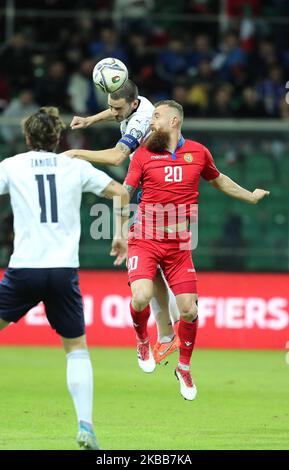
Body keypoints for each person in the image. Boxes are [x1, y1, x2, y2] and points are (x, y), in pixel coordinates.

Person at [0, 107, 129, 449]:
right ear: (58, 139)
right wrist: (120, 235)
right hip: (62, 271)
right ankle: (86, 426)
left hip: (24, 269)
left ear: (28, 138)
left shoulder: (11, 165)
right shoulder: (75, 167)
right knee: (76, 349)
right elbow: (121, 192)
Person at [123, 100, 269, 400]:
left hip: (179, 247)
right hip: (145, 240)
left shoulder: (199, 153)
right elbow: (124, 193)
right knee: (141, 297)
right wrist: (117, 228)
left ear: (174, 121)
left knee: (189, 310)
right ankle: (141, 341)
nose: (152, 122)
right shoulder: (142, 154)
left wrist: (250, 197)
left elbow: (220, 181)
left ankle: (184, 367)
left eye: (157, 117)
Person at [68, 79, 180, 366]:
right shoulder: (136, 104)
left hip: (157, 189)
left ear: (132, 105)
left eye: (117, 108)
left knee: (151, 256)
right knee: (150, 262)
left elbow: (118, 157)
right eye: (110, 106)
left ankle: (168, 327)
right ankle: (164, 330)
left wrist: (76, 154)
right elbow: (117, 110)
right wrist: (91, 119)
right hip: (153, 180)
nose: (113, 112)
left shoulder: (140, 122)